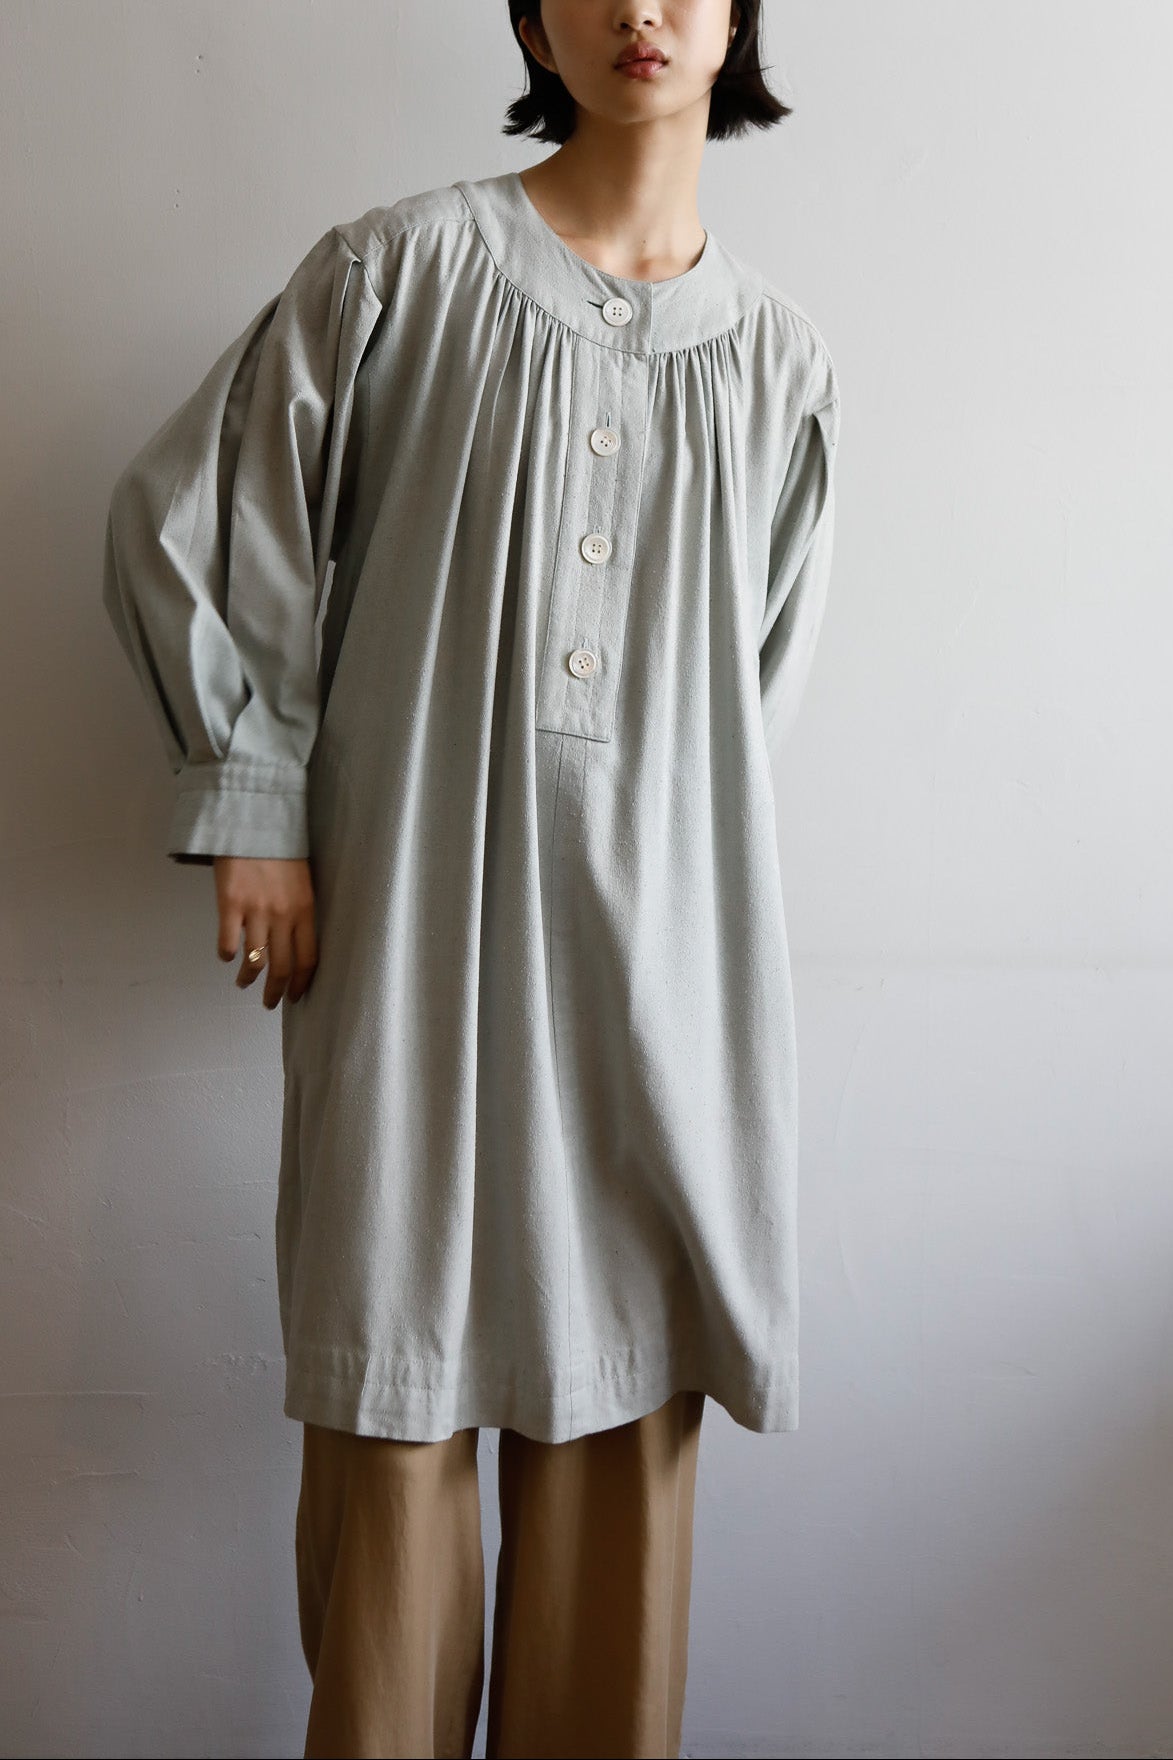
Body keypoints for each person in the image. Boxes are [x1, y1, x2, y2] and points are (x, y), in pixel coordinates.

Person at [101, 2, 841, 1754]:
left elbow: (746, 701)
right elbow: (203, 517)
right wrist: (258, 805)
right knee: (396, 1375)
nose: (638, 9)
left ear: (739, 18)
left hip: (660, 964)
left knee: (624, 1384)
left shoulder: (779, 363)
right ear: (528, 21)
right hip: (415, 930)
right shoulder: (400, 272)